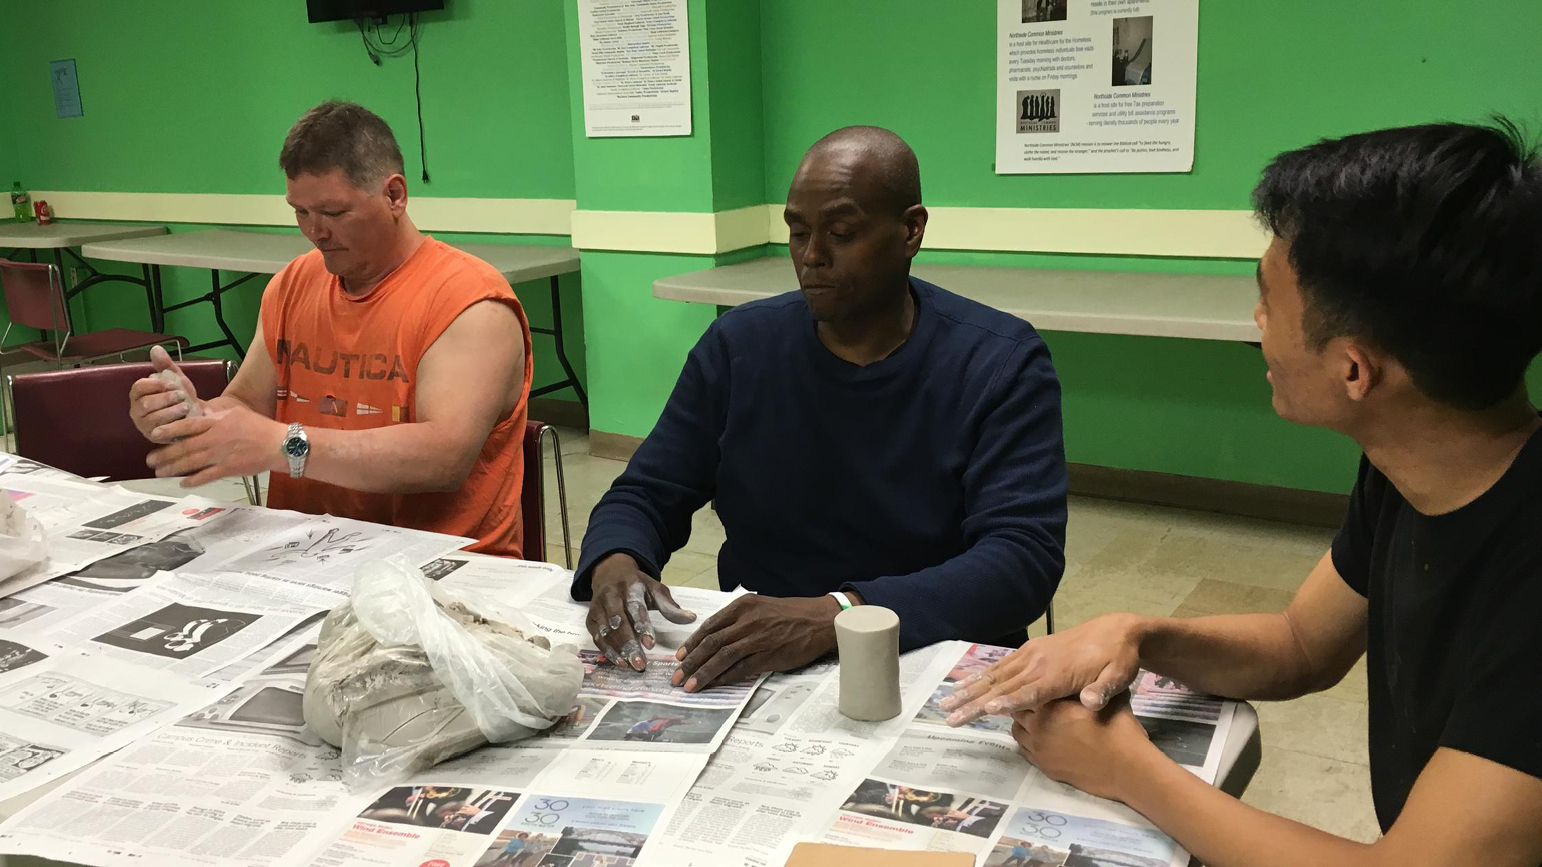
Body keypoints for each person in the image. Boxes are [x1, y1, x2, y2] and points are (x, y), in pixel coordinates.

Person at [941, 120, 1542, 866]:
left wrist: (1126, 766)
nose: (1256, 321)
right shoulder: (1413, 465)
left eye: (1269, 302)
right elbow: (1300, 644)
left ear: (1356, 371)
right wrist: (1138, 633)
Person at [573, 125, 1067, 689]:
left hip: (933, 649)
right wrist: (617, 561)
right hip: (763, 653)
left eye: (840, 232)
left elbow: (1020, 560)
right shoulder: (739, 348)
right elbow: (647, 491)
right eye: (798, 232)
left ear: (910, 230)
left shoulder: (999, 362)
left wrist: (840, 613)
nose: (811, 257)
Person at [126, 101, 533, 556]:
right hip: (311, 554)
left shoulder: (470, 303)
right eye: (300, 212)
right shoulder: (294, 284)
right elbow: (244, 402)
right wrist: (192, 416)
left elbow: (443, 457)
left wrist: (285, 445)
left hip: (441, 570)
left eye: (333, 213)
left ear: (395, 196)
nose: (314, 231)